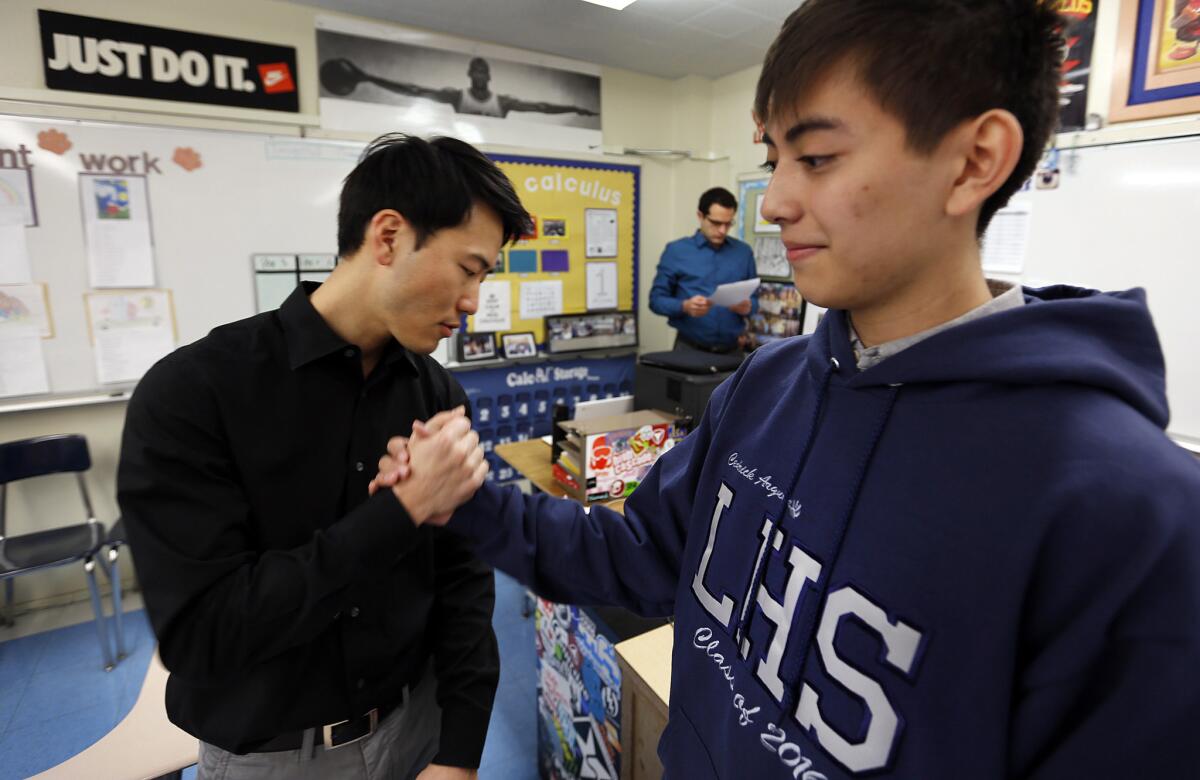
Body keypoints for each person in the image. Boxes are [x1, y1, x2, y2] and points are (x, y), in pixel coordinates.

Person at [373, 1, 1200, 778]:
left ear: (974, 161)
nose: (775, 202)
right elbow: (641, 558)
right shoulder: (767, 385)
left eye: (818, 158)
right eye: (775, 161)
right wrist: (469, 502)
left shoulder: (1132, 513)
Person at [117, 133, 531, 779]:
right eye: (469, 269)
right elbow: (204, 635)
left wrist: (460, 751)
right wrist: (400, 511)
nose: (475, 301)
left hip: (418, 726)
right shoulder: (193, 394)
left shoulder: (436, 392)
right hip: (274, 757)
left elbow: (463, 579)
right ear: (388, 237)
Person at [649, 187, 759, 354]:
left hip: (732, 351)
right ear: (700, 216)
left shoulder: (743, 252)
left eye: (728, 223)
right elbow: (656, 300)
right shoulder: (676, 251)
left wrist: (747, 308)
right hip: (689, 349)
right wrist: (684, 306)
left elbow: (755, 301)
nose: (722, 230)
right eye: (716, 223)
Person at [320, 56, 600, 119]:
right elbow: (414, 90)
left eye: (483, 71)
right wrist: (369, 78)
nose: (479, 75)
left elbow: (541, 107)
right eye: (474, 71)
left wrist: (573, 107)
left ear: (488, 75)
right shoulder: (457, 96)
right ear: (469, 74)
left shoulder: (502, 102)